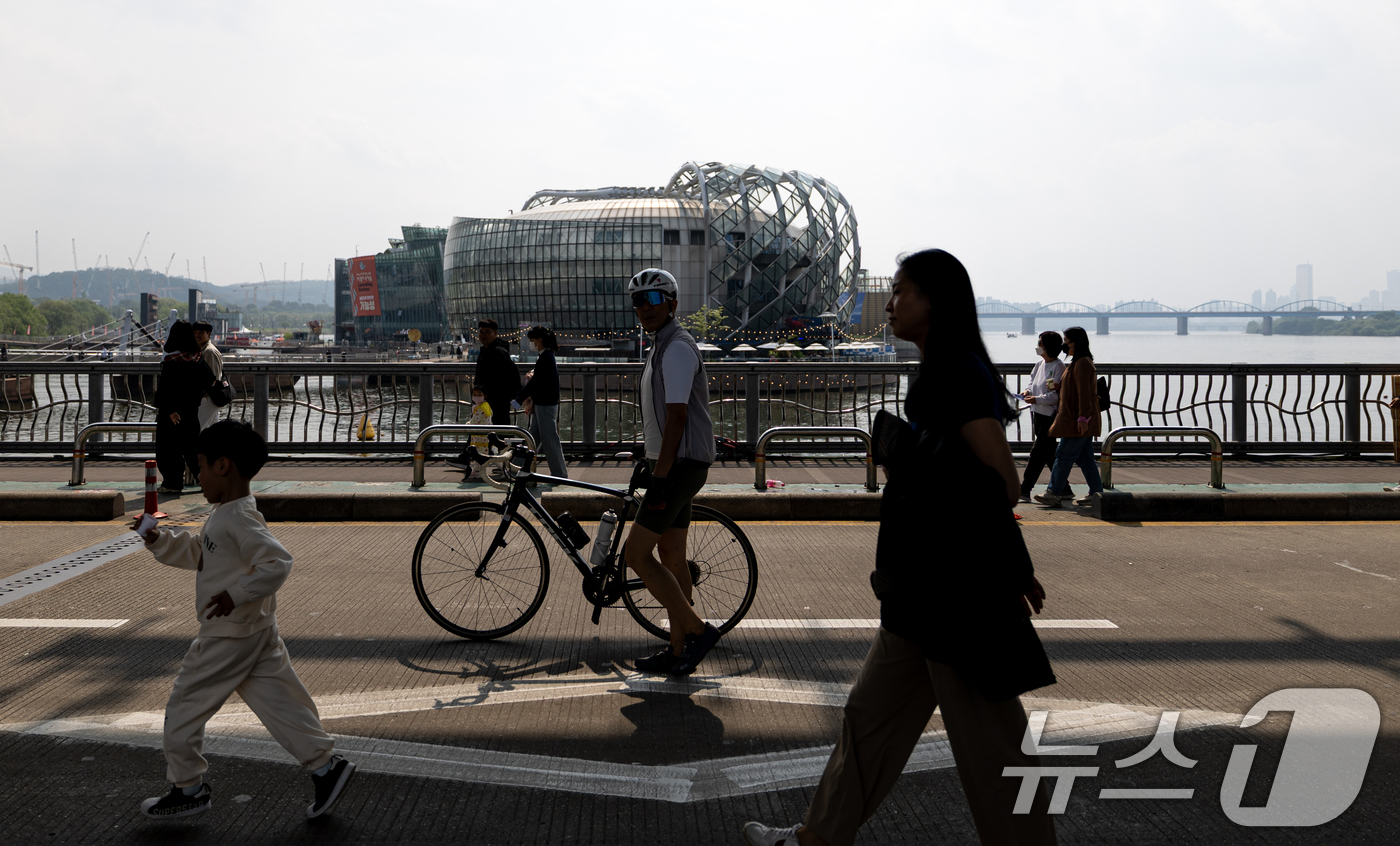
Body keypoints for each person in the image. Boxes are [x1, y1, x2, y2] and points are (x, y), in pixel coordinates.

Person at [742, 250, 1057, 846]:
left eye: (901, 292)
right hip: (922, 591)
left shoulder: (954, 373)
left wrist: (907, 455)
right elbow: (971, 479)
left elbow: (1001, 481)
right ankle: (816, 840)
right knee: (867, 723)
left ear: (933, 300)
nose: (888, 304)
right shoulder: (944, 369)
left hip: (954, 597)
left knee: (994, 754)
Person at [134, 421, 355, 820]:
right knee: (282, 703)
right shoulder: (231, 513)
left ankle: (188, 787)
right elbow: (203, 553)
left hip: (228, 635)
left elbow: (277, 562)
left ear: (222, 466)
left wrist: (235, 595)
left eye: (199, 466)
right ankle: (326, 767)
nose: (196, 476)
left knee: (184, 705)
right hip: (256, 630)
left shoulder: (236, 518)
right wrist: (159, 540)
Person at [624, 268, 721, 676]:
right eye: (638, 301)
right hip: (672, 462)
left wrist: (660, 478)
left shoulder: (677, 347)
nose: (645, 307)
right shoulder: (661, 345)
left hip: (679, 467)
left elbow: (678, 417)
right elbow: (662, 416)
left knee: (635, 554)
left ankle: (698, 632)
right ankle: (679, 650)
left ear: (672, 304)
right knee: (673, 558)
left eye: (654, 299)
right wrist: (647, 456)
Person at [1034, 326, 1104, 507]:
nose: (1063, 345)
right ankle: (1096, 493)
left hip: (1077, 419)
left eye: (1066, 341)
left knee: (1063, 454)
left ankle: (1053, 492)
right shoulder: (1078, 362)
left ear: (1075, 342)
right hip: (1076, 418)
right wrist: (1059, 387)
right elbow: (1076, 388)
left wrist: (1083, 419)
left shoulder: (1082, 363)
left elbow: (1085, 393)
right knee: (1085, 458)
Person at [153, 321, 213, 494]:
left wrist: (170, 410)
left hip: (172, 414)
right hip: (191, 410)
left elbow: (165, 389)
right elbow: (210, 381)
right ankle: (208, 481)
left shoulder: (171, 360)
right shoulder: (197, 357)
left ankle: (172, 483)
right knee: (192, 449)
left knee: (168, 450)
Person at [1018, 331, 1072, 502]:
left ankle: (1024, 490)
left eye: (1040, 343)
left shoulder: (1059, 366)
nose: (1038, 346)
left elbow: (1056, 396)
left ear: (1047, 346)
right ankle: (1065, 489)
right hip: (1038, 414)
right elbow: (1032, 382)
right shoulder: (1039, 364)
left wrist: (1037, 399)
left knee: (1037, 453)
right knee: (1049, 454)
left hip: (1050, 415)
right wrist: (1027, 391)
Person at [517, 325, 568, 479]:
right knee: (533, 437)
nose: (531, 344)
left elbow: (536, 383)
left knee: (549, 440)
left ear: (539, 340)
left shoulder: (545, 357)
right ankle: (517, 466)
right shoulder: (547, 356)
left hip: (545, 404)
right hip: (545, 403)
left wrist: (518, 399)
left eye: (532, 340)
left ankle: (559, 473)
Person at [473, 318, 520, 426]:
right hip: (485, 401)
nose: (483, 335)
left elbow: (508, 376)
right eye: (481, 332)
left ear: (495, 333)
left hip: (496, 402)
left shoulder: (499, 352)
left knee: (496, 431)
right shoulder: (485, 350)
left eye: (487, 332)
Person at [446, 384, 493, 476]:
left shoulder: (480, 409)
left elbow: (475, 421)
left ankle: (479, 471)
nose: (476, 397)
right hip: (483, 435)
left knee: (479, 454)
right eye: (474, 395)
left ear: (485, 396)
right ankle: (476, 471)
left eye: (479, 395)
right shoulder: (486, 406)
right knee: (482, 453)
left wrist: (467, 425)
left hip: (479, 436)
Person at [192, 321, 223, 431]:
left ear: (209, 334)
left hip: (207, 398)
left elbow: (213, 378)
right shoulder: (201, 350)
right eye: (195, 332)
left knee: (197, 430)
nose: (197, 335)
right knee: (211, 433)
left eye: (201, 332)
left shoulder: (209, 351)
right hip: (208, 399)